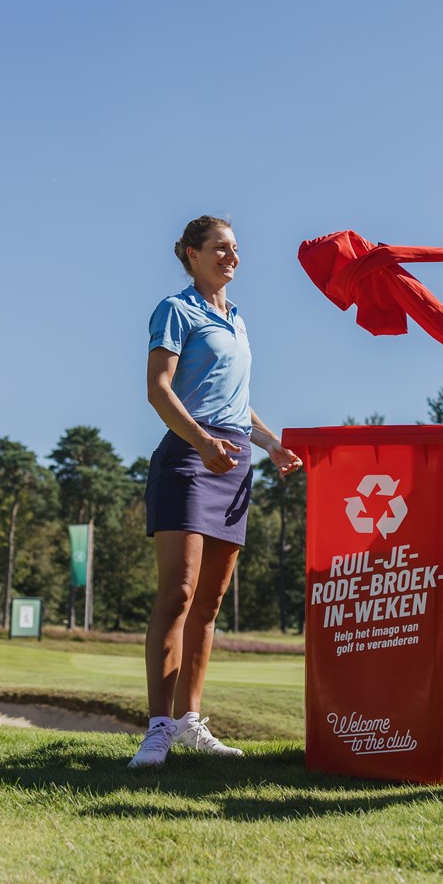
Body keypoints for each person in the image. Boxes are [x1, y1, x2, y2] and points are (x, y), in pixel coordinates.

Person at [129, 215, 302, 770]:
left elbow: (236, 402)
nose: (231, 257)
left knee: (208, 607)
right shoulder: (175, 310)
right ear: (190, 253)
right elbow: (159, 390)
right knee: (178, 594)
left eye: (235, 249)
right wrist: (202, 442)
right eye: (219, 248)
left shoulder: (239, 320)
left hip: (234, 462)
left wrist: (271, 443)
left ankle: (189, 723)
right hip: (188, 458)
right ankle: (157, 729)